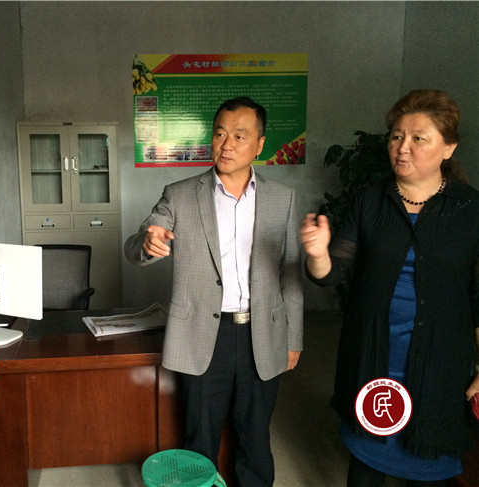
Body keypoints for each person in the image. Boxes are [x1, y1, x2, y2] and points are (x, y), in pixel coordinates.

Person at [301, 89, 479, 486]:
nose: (403, 147)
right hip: (374, 350)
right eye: (397, 136)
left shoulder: (470, 209)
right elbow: (331, 273)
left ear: (448, 148)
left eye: (419, 138)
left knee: (427, 462)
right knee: (367, 459)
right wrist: (317, 253)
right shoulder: (370, 200)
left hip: (440, 358)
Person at [124, 96, 303, 486]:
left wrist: (294, 338)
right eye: (220, 134)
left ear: (260, 144)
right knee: (199, 440)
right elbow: (137, 244)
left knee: (255, 437)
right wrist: (148, 244)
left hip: (263, 333)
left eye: (240, 135)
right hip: (204, 334)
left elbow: (289, 275)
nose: (227, 144)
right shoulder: (179, 194)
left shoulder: (282, 198)